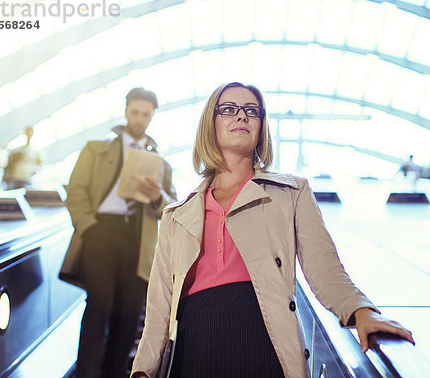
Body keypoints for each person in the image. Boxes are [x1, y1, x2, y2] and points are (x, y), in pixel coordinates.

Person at [130, 82, 414, 378]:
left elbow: (323, 267)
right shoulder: (177, 215)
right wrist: (142, 371)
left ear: (261, 126)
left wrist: (361, 312)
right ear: (209, 125)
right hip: (194, 349)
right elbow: (159, 307)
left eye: (251, 111)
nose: (241, 117)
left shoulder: (291, 193)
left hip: (262, 343)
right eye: (228, 109)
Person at [59, 87, 177, 378]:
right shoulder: (95, 150)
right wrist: (88, 226)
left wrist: (156, 196)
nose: (139, 119)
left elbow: (172, 207)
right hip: (101, 232)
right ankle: (87, 373)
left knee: (129, 316)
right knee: (99, 307)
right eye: (135, 112)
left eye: (145, 114)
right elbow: (75, 190)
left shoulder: (161, 163)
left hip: (138, 241)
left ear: (152, 117)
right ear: (126, 111)